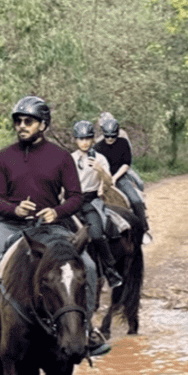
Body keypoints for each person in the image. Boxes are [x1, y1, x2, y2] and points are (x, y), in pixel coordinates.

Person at [0, 96, 102, 359]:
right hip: (10, 226)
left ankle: (88, 329)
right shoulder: (4, 157)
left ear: (43, 125)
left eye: (28, 121)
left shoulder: (60, 157)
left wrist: (56, 211)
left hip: (50, 227)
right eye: (18, 121)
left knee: (88, 266)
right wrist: (14, 209)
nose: (21, 126)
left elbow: (75, 197)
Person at [70, 120, 123, 290]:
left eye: (87, 138)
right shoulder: (70, 159)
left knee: (98, 235)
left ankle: (110, 270)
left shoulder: (100, 159)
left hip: (90, 201)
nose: (84, 142)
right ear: (75, 140)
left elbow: (108, 183)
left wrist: (101, 170)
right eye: (80, 139)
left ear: (92, 139)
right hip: (72, 201)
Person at [94, 117, 149, 233]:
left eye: (112, 136)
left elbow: (126, 164)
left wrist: (114, 178)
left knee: (136, 201)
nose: (109, 139)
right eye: (107, 136)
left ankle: (143, 228)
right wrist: (105, 179)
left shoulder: (123, 143)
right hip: (102, 179)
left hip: (119, 177)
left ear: (117, 133)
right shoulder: (97, 147)